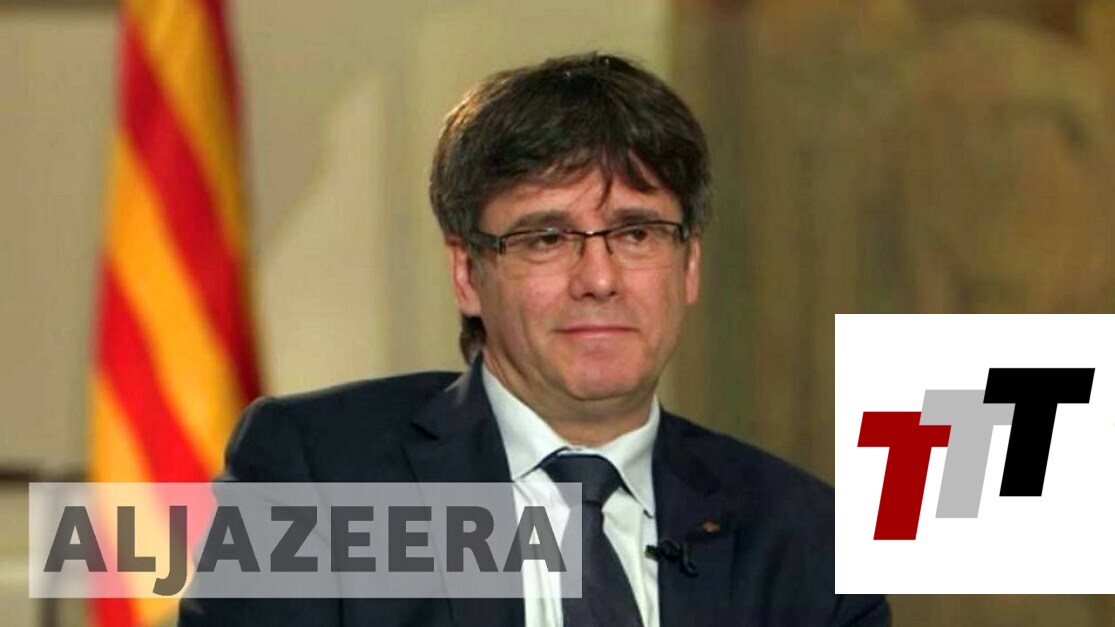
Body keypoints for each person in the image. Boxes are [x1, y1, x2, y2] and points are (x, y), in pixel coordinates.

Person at [179, 52, 889, 626]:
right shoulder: (317, 476)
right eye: (547, 238)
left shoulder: (807, 538)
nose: (599, 279)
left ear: (690, 266)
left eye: (637, 233)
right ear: (468, 273)